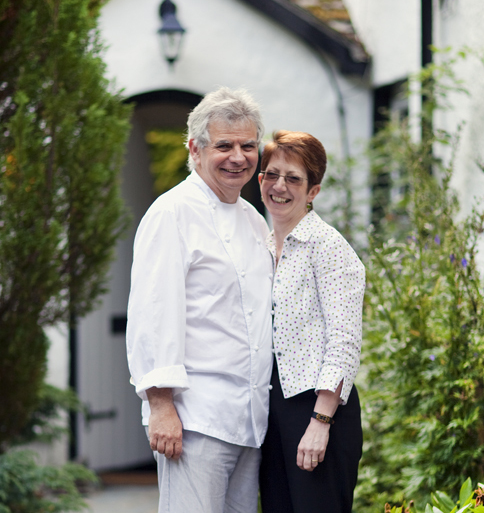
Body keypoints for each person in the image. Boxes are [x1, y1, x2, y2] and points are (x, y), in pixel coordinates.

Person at [126, 87, 274, 513]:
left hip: (248, 420)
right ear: (195, 149)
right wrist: (160, 406)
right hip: (194, 422)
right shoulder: (171, 213)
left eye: (248, 146)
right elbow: (154, 314)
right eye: (224, 146)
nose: (238, 157)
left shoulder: (251, 218)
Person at [258, 130, 365, 513]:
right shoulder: (262, 247)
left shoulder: (329, 247)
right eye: (272, 174)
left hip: (320, 413)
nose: (279, 186)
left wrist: (321, 420)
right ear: (260, 180)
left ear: (313, 191)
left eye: (293, 178)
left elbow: (344, 341)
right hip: (274, 414)